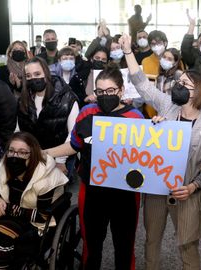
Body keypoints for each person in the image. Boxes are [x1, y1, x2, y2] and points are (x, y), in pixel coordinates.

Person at [121, 33, 201, 270]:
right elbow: (142, 84)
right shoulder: (167, 106)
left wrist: (194, 187)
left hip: (186, 192)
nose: (178, 86)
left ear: (199, 92)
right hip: (155, 189)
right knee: (151, 240)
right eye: (178, 81)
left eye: (185, 84)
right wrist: (128, 52)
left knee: (188, 245)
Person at [46, 63, 144, 270]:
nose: (105, 95)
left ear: (121, 90)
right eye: (100, 91)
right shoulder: (87, 112)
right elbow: (74, 146)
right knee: (91, 244)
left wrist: (158, 128)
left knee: (124, 245)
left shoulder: (135, 118)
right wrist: (44, 153)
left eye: (110, 91)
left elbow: (147, 155)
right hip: (92, 190)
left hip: (124, 193)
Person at [0, 132, 69, 270]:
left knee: (1, 239)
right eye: (11, 151)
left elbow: (42, 216)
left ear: (33, 154)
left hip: (31, 220)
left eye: (22, 152)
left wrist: (6, 209)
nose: (15, 156)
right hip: (6, 213)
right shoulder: (5, 166)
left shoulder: (46, 178)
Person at [18, 57, 79, 181]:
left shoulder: (67, 97)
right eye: (28, 76)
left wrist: (60, 160)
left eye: (37, 74)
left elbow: (73, 135)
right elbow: (19, 129)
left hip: (61, 158)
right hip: (32, 158)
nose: (33, 78)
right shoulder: (24, 99)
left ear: (46, 73)